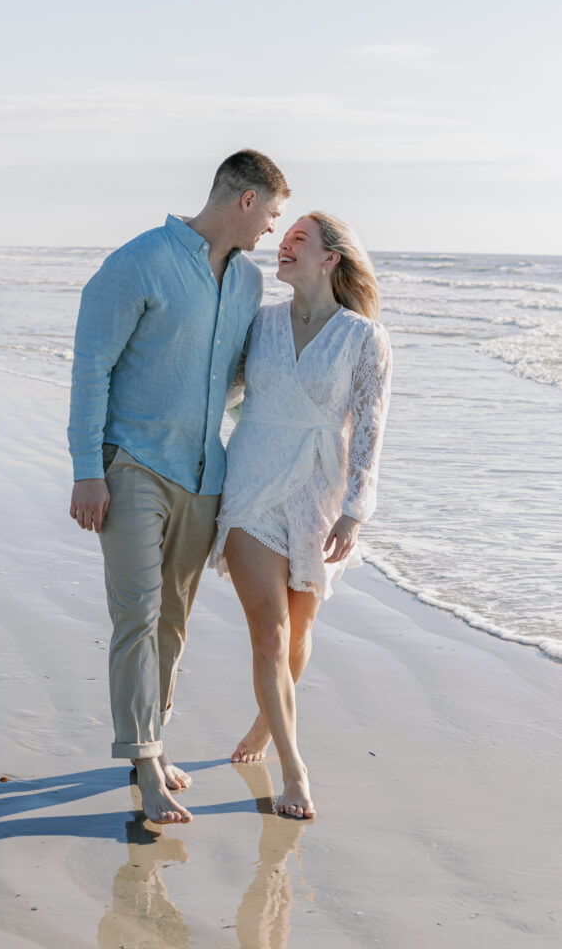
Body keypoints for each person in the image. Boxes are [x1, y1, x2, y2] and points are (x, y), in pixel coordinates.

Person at [68, 150, 290, 824]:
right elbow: (90, 368)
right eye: (273, 214)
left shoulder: (248, 285)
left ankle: (152, 742)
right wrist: (86, 469)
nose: (274, 231)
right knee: (136, 614)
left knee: (172, 619)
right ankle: (143, 760)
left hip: (204, 478)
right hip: (131, 464)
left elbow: (235, 387)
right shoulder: (138, 261)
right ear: (245, 201)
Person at [209, 211, 392, 819]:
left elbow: (369, 427)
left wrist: (354, 512)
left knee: (297, 632)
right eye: (282, 237)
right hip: (253, 484)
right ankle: (295, 769)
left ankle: (265, 723)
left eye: (297, 240)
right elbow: (223, 391)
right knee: (269, 632)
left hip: (319, 492)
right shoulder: (258, 325)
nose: (282, 244)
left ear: (330, 258)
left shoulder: (364, 337)